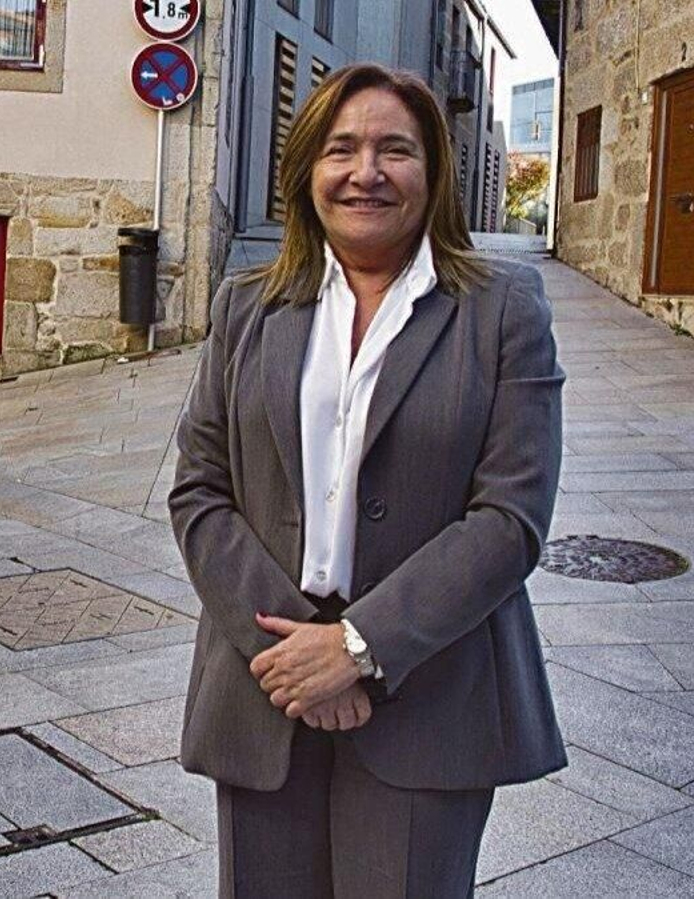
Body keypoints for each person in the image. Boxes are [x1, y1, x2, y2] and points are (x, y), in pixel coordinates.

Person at [169, 63, 565, 898]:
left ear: (433, 172)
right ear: (308, 169)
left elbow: (510, 518)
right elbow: (200, 489)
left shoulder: (502, 311)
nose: (367, 172)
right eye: (341, 148)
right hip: (263, 688)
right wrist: (291, 653)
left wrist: (358, 647)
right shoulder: (248, 308)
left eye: (396, 149)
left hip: (430, 698)